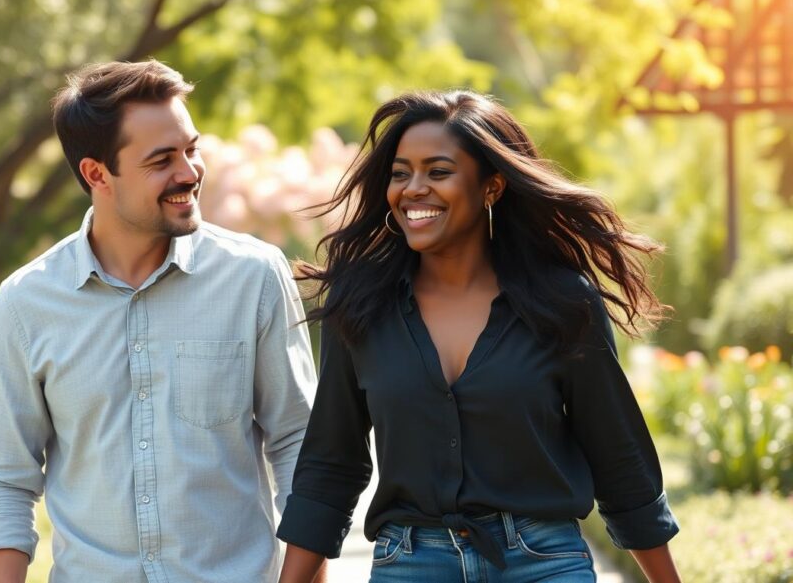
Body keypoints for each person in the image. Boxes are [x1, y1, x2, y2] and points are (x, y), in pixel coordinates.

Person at [276, 90, 682, 583]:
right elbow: (331, 465)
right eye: (401, 173)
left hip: (544, 563)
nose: (413, 189)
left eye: (438, 172)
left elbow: (619, 457)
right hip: (410, 564)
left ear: (491, 187)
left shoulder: (561, 303)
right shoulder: (361, 307)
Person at [0, 60, 316, 583]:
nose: (189, 172)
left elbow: (299, 443)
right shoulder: (27, 302)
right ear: (96, 174)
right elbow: (2, 477)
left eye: (191, 149)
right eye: (161, 160)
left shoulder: (254, 277)